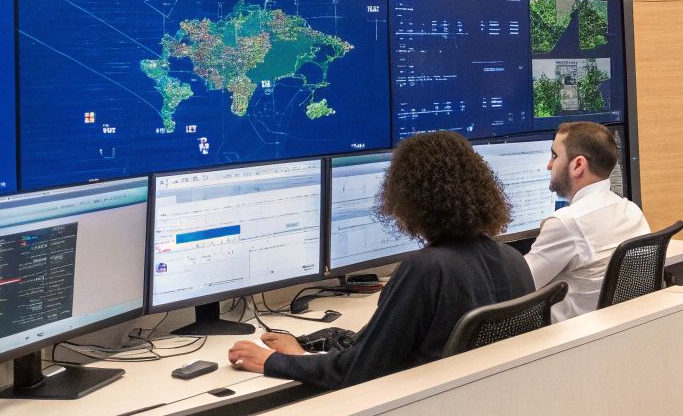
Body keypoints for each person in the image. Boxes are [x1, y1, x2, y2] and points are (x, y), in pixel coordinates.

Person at [226, 131, 533, 388]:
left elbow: (360, 370)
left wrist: (278, 361)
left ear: (408, 198)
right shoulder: (513, 260)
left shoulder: (427, 270)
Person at [524, 121, 651, 320]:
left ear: (578, 165)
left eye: (555, 156)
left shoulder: (567, 223)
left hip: (564, 341)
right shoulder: (631, 210)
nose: (549, 165)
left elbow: (519, 284)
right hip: (616, 334)